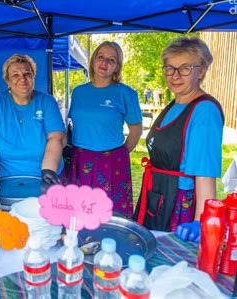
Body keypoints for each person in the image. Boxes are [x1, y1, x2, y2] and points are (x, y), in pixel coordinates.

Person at [133, 38, 224, 242]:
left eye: (185, 68)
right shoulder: (175, 104)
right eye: (170, 68)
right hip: (158, 194)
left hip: (180, 201)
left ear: (201, 71)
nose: (175, 75)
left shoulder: (204, 111)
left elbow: (205, 173)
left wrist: (202, 220)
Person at [67, 41, 143, 217]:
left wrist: (121, 153)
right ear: (93, 61)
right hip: (80, 159)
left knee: (111, 213)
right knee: (81, 212)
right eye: (100, 57)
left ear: (117, 67)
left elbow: (136, 130)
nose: (104, 63)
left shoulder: (126, 93)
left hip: (111, 161)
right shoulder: (78, 92)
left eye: (111, 60)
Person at [0, 54, 66, 190]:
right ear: (7, 81)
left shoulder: (47, 101)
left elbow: (57, 138)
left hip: (44, 177)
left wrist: (48, 171)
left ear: (33, 76)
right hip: (5, 178)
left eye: (27, 73)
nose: (22, 78)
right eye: (15, 75)